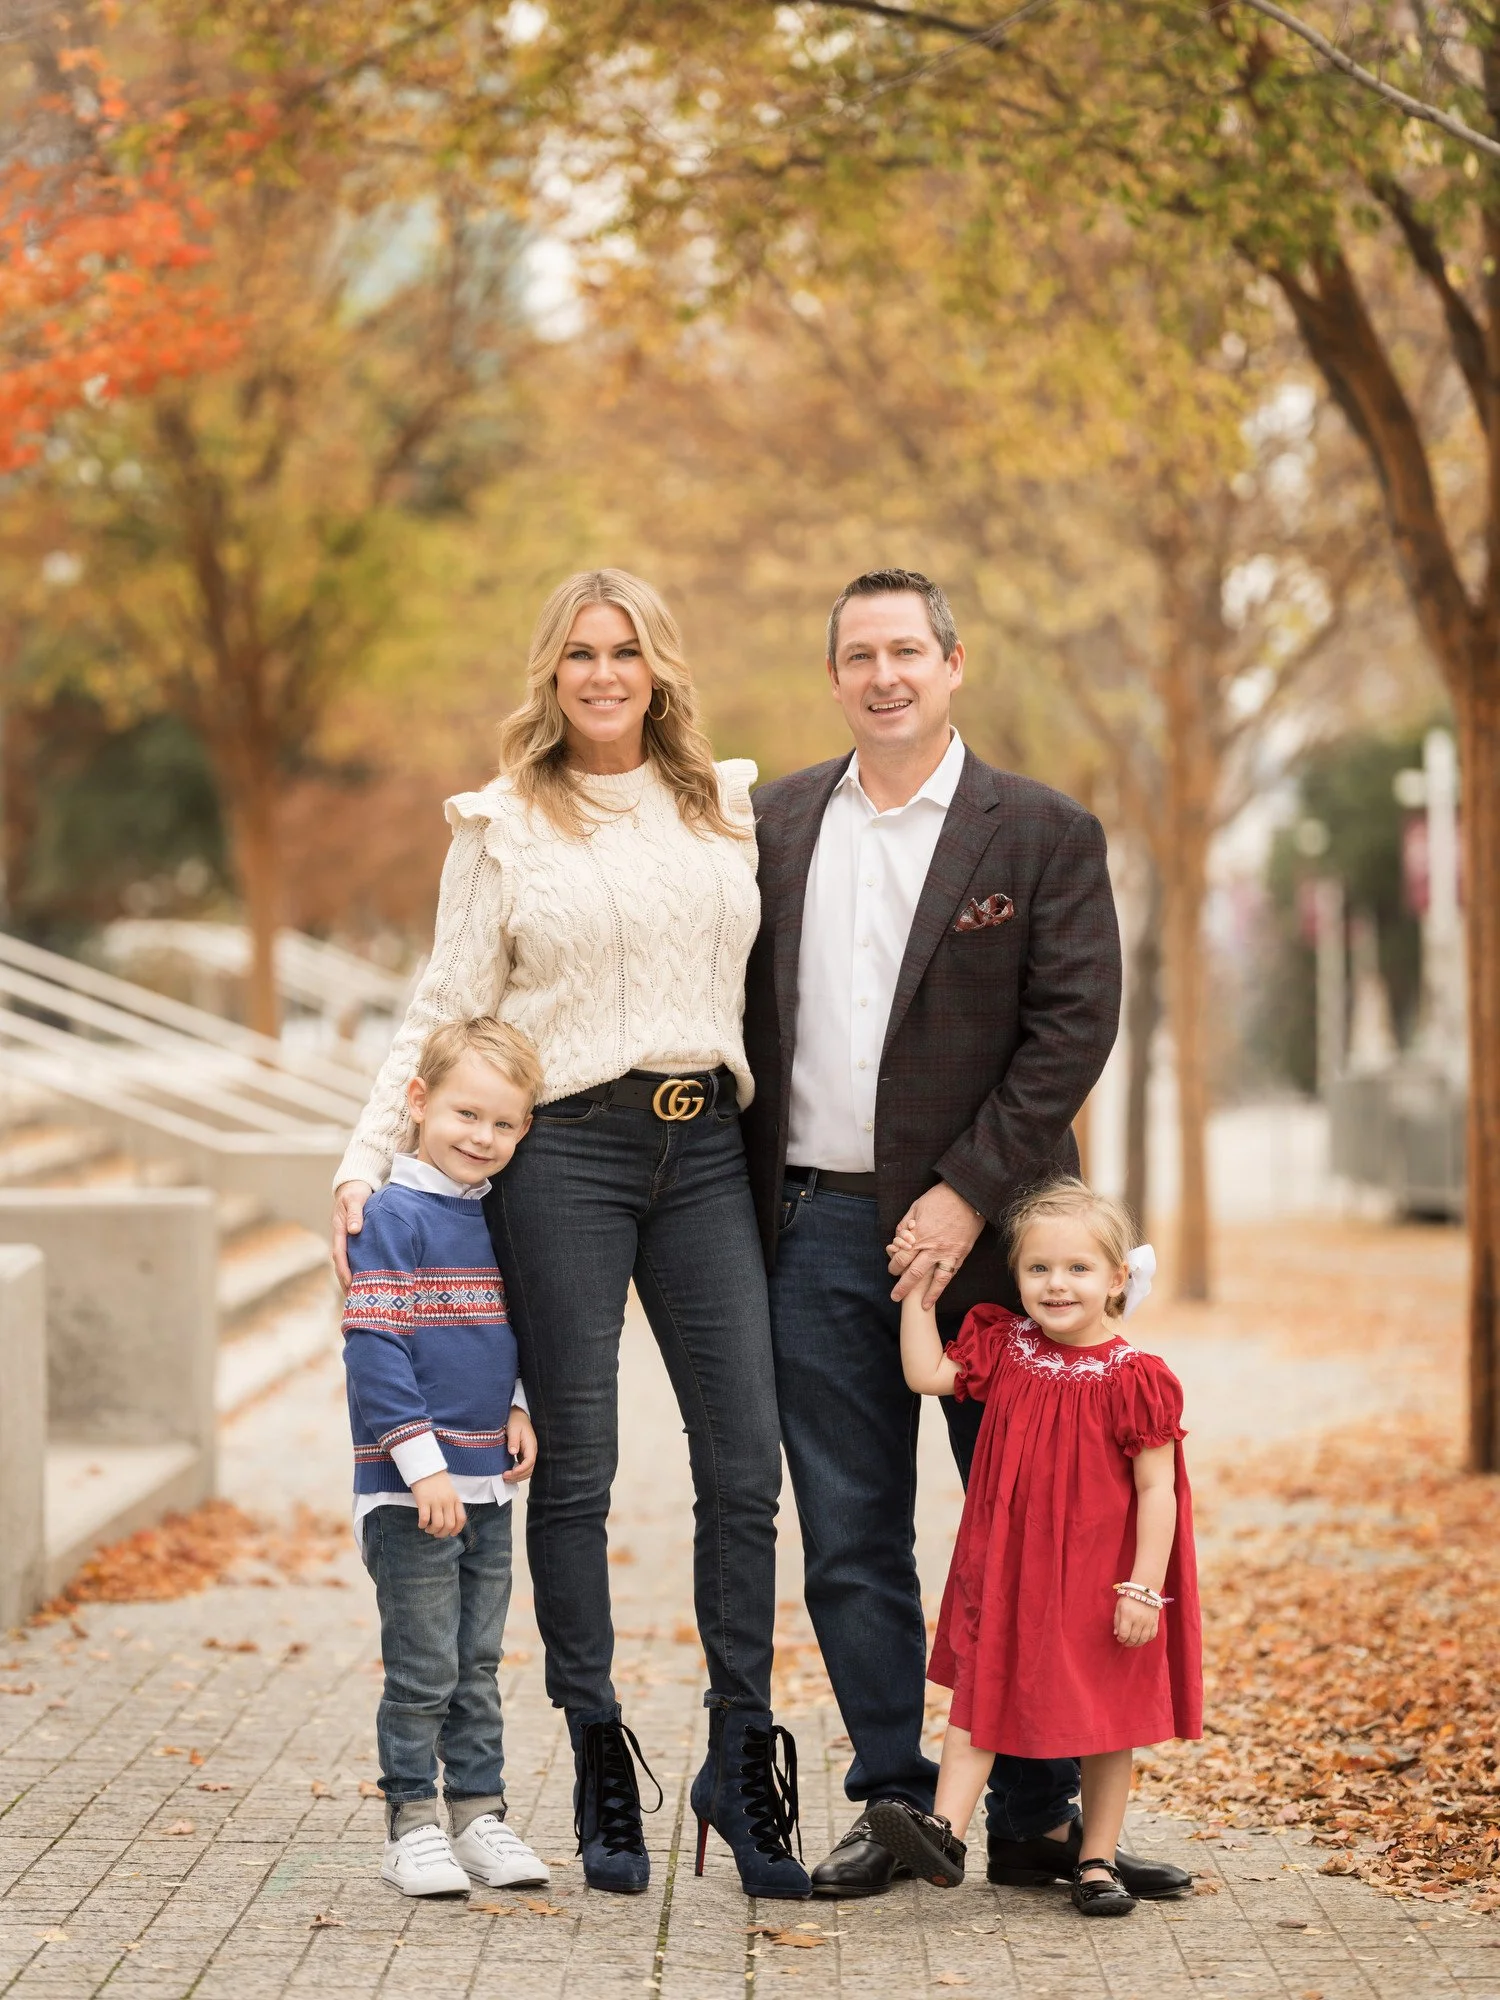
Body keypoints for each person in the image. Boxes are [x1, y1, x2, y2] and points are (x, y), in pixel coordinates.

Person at [333, 569, 809, 1901]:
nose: (605, 674)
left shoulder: (725, 805)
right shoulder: (501, 825)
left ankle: (740, 1756)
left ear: (660, 668)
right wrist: (367, 1160)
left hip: (706, 1147)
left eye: (627, 651)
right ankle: (599, 1749)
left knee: (744, 1461)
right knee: (578, 1466)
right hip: (568, 1157)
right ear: (552, 672)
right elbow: (445, 1002)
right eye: (582, 653)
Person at [741, 566, 1189, 1899]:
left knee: (1048, 1531)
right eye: (860, 654)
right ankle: (896, 1798)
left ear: (952, 665)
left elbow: (1073, 1029)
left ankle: (1038, 1817)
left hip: (1004, 1249)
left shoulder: (1041, 831)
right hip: (813, 1226)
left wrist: (962, 1190)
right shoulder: (771, 825)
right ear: (835, 675)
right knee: (851, 1532)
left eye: (907, 651)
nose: (884, 675)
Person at [865, 1178, 1202, 1916]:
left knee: (1106, 1721)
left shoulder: (1136, 1378)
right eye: (1038, 1268)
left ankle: (1096, 1860)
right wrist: (920, 1289)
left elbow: (1158, 1492)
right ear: (1015, 1277)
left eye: (1079, 1268)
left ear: (1117, 1278)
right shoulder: (1006, 1347)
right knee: (980, 1694)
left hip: (1102, 1579)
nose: (1056, 1284)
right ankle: (943, 1834)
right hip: (1010, 1570)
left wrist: (1143, 1588)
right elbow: (926, 1374)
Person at [343, 1015, 548, 1898]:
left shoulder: (497, 1218)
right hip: (409, 1491)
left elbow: (507, 1329)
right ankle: (411, 1826)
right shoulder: (392, 1216)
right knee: (424, 1668)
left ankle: (477, 1816)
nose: (483, 1137)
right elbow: (374, 1347)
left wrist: (518, 1404)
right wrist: (421, 1466)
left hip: (488, 1485)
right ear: (419, 1102)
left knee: (476, 1665)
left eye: (504, 1123)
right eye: (467, 1114)